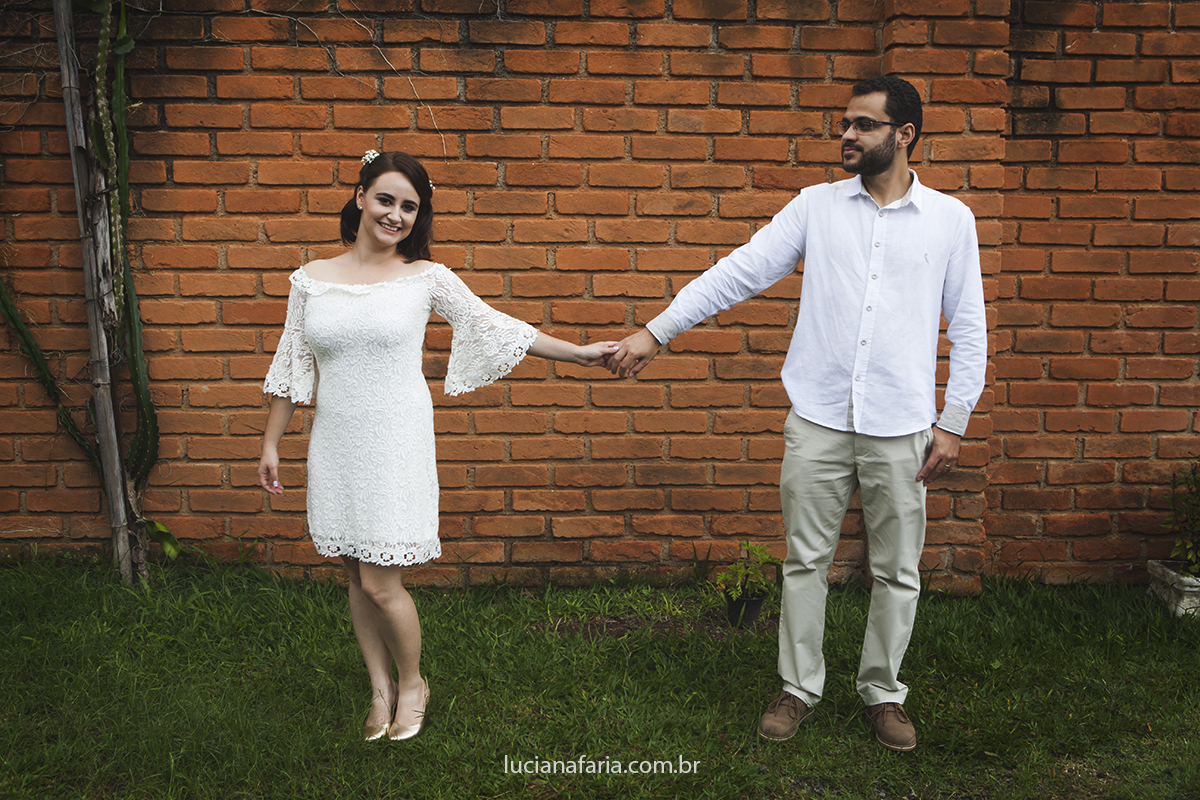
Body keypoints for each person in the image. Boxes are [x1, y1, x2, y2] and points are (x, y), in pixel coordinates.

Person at [605, 76, 987, 752]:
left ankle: (883, 692)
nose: (847, 135)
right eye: (844, 123)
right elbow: (739, 271)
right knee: (804, 561)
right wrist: (656, 331)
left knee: (898, 569)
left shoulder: (951, 221)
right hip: (817, 419)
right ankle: (798, 686)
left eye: (863, 125)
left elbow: (971, 326)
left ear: (904, 135)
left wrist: (954, 419)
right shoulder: (815, 207)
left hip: (903, 425)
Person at [258, 150, 617, 742]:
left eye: (408, 207)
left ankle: (414, 682)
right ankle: (378, 689)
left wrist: (579, 353)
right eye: (385, 199)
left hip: (396, 440)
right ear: (359, 196)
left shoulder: (426, 278)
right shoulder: (311, 279)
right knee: (353, 572)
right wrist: (272, 441)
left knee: (381, 580)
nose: (394, 215)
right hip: (337, 440)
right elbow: (291, 365)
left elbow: (496, 325)